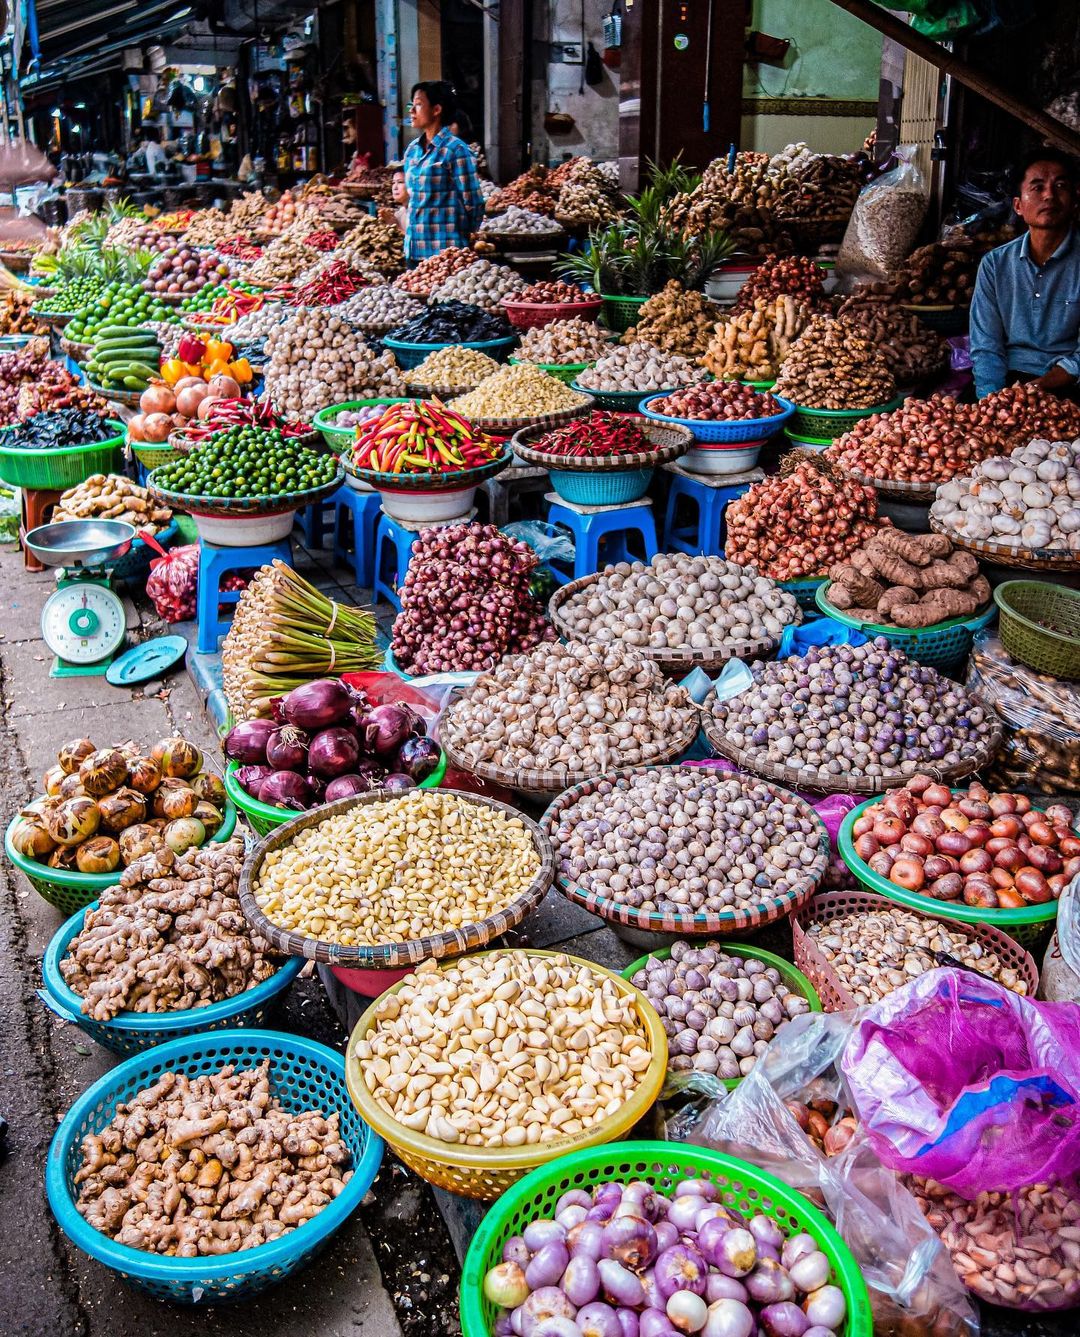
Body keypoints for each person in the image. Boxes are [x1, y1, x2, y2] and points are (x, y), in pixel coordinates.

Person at [969, 148, 1080, 399]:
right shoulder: (995, 265)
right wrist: (992, 400)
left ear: (1075, 200)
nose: (1049, 195)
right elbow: (986, 347)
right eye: (1037, 187)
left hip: (1069, 381)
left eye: (1060, 185)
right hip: (1012, 380)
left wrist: (1039, 388)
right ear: (1018, 206)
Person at [403, 80, 485, 262]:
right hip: (415, 249)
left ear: (436, 110)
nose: (411, 111)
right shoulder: (412, 151)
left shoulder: (456, 150)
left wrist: (464, 235)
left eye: (418, 104)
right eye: (411, 105)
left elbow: (474, 202)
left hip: (446, 254)